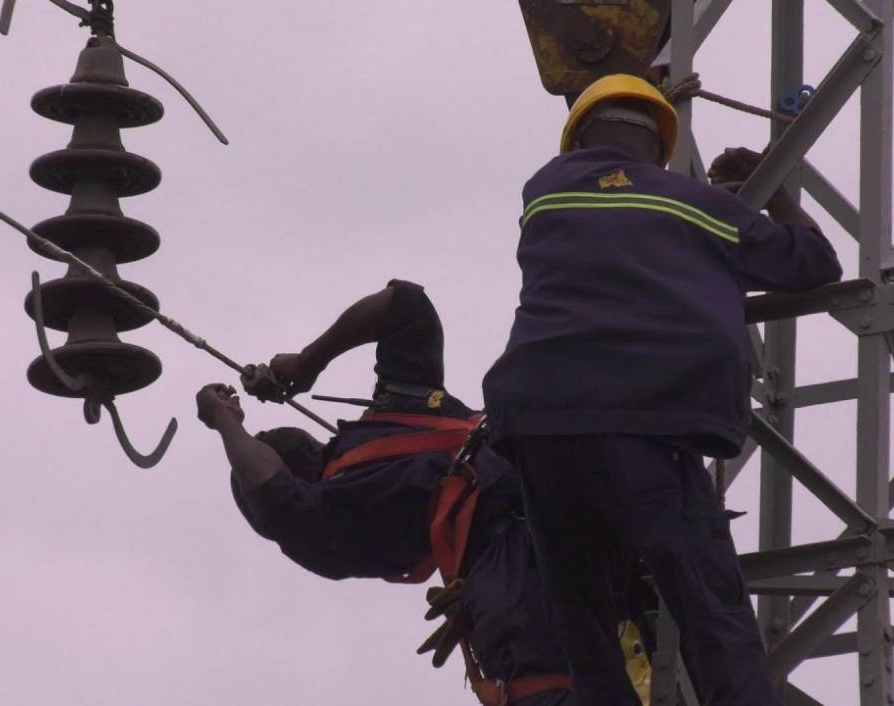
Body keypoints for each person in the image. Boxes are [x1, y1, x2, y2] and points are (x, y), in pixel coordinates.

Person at [481, 73, 843, 706]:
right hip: (645, 418)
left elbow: (629, 225)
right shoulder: (698, 207)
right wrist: (774, 196)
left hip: (538, 419)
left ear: (577, 142)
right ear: (661, 146)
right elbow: (813, 264)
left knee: (580, 616)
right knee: (708, 608)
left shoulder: (543, 194)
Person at [196, 280, 579, 706]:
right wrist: (231, 421)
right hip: (558, 525)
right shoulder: (339, 509)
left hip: (553, 535)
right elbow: (274, 499)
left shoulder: (384, 431)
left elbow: (405, 305)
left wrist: (306, 364)